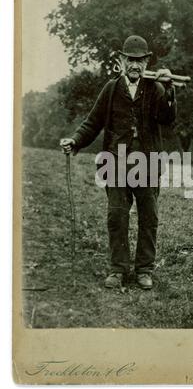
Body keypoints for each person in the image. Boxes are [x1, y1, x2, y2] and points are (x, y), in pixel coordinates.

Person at [60, 35, 176, 290]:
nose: (135, 66)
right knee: (117, 216)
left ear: (147, 62)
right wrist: (75, 141)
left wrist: (169, 89)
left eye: (140, 61)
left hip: (147, 164)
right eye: (130, 60)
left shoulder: (156, 89)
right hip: (116, 163)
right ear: (122, 60)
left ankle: (144, 269)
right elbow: (92, 122)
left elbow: (167, 118)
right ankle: (118, 269)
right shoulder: (111, 89)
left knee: (149, 217)